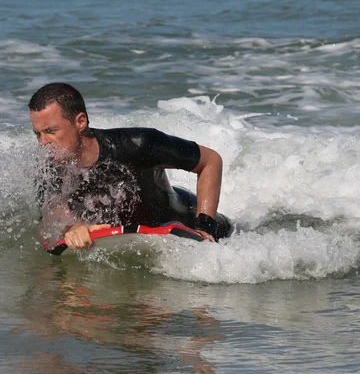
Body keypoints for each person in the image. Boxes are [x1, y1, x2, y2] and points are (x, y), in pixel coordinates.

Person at [30, 82, 233, 250]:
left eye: (50, 131)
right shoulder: (48, 168)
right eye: (37, 133)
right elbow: (51, 211)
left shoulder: (137, 144)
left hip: (184, 221)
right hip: (133, 234)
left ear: (80, 122)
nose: (42, 142)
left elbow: (211, 161)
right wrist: (73, 227)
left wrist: (204, 226)